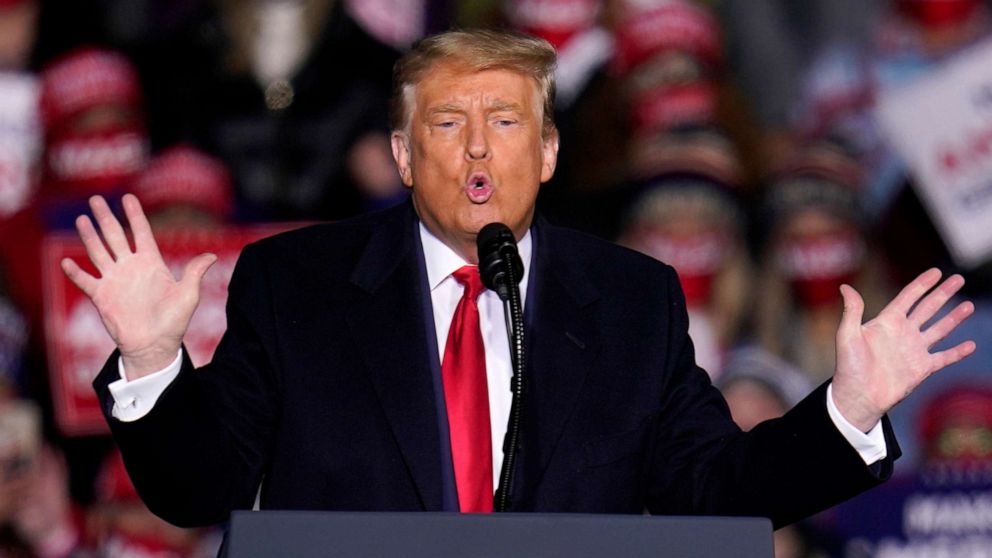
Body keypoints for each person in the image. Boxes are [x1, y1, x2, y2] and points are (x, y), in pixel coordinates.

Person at [60, 30, 975, 530]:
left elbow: (716, 493)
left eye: (503, 122)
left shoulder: (629, 302)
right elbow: (195, 489)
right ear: (399, 155)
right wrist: (150, 359)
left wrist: (846, 410)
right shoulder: (294, 285)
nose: (476, 151)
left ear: (547, 151)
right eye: (447, 123)